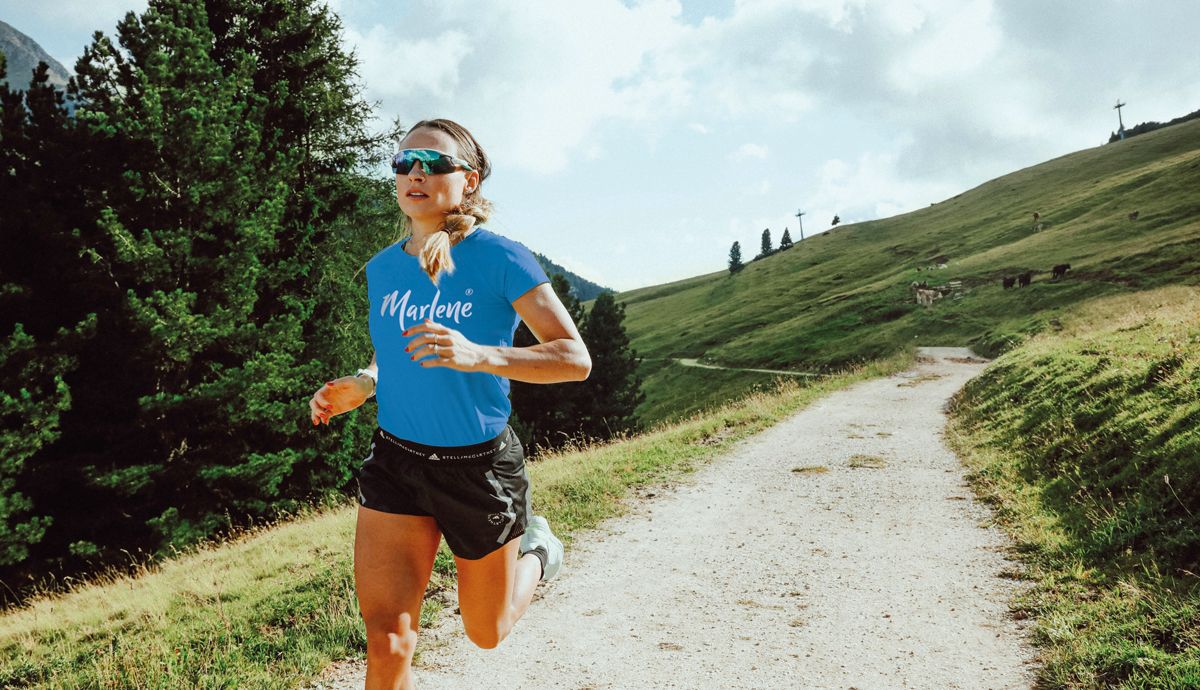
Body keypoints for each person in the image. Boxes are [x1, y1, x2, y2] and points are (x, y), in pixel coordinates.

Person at [307, 118, 592, 689]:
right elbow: (394, 348)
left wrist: (482, 355)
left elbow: (573, 358)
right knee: (388, 639)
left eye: (435, 164)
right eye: (405, 161)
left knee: (486, 632)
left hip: (478, 471)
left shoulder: (500, 258)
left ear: (469, 180)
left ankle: (537, 550)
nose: (416, 172)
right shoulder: (385, 267)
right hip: (396, 463)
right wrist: (366, 381)